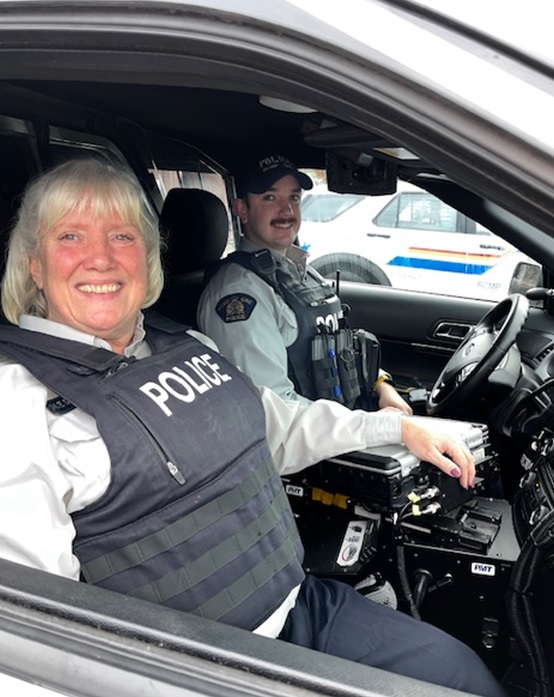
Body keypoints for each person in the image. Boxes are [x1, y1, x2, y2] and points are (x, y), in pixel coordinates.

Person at [0, 158, 504, 697]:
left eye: (121, 235)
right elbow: (23, 635)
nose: (100, 258)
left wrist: (399, 431)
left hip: (300, 607)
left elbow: (278, 425)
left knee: (462, 676)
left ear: (147, 258)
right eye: (71, 235)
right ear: (33, 263)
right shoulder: (18, 400)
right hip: (195, 670)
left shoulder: (186, 345)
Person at [197, 153, 411, 413]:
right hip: (308, 445)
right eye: (270, 197)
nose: (286, 210)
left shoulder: (303, 273)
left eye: (294, 197)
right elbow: (275, 410)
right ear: (242, 210)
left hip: (339, 427)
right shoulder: (238, 293)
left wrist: (382, 386)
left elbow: (341, 350)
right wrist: (375, 427)